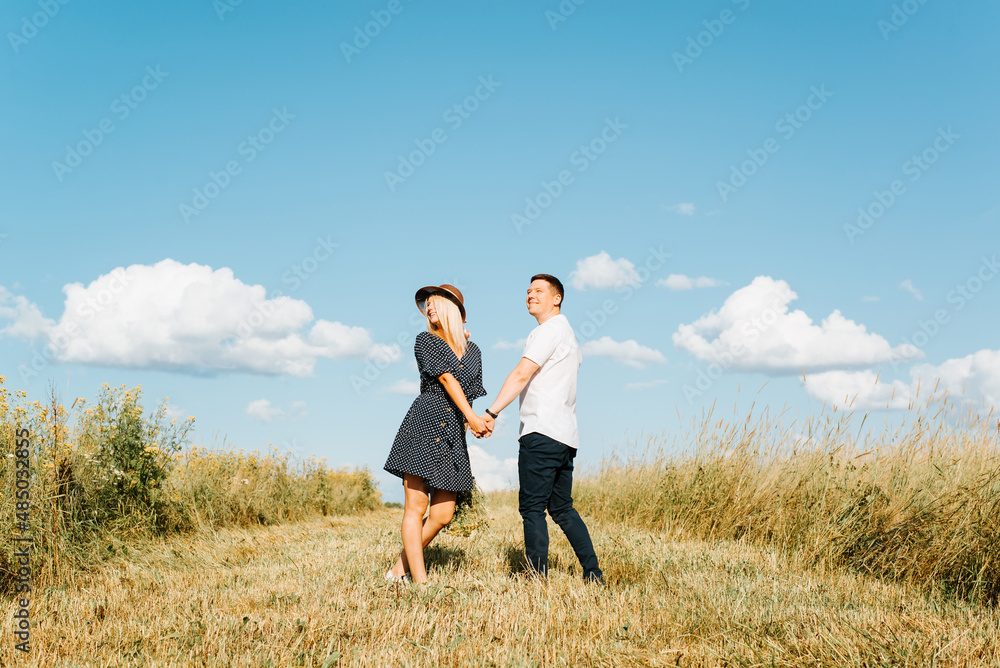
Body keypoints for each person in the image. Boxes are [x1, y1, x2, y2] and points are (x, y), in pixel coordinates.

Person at [480, 274, 603, 583]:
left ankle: (537, 579)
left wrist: (491, 411)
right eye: (527, 291)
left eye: (538, 291)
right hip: (565, 435)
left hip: (541, 431)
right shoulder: (569, 336)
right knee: (562, 508)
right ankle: (593, 573)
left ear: (556, 298)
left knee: (532, 507)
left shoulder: (548, 331)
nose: (530, 295)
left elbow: (522, 373)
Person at [383, 284, 489, 584]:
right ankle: (420, 581)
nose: (429, 308)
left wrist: (474, 421)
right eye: (426, 304)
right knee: (415, 508)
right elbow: (446, 377)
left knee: (443, 514)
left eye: (434, 303)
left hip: (453, 430)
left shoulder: (474, 351)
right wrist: (470, 416)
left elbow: (467, 391)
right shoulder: (426, 341)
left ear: (452, 310)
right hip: (425, 423)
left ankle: (397, 570)